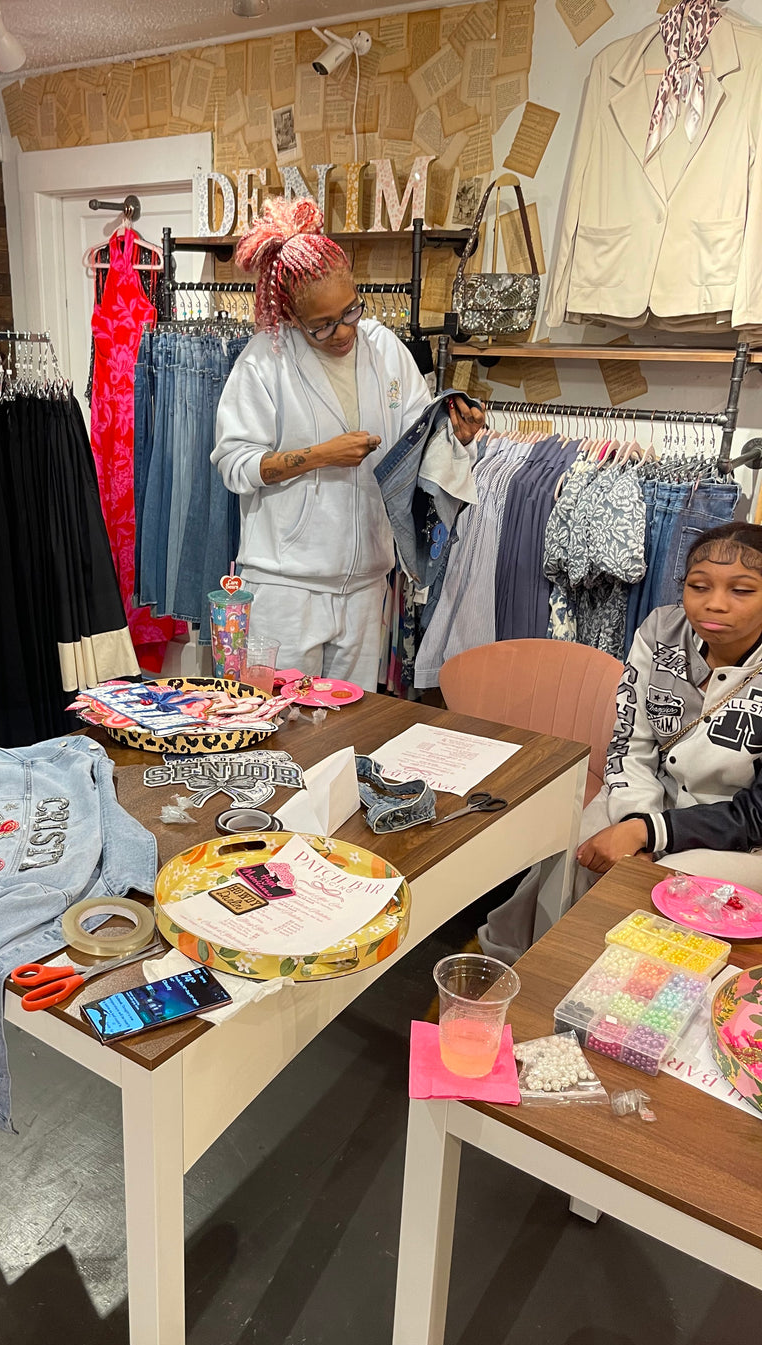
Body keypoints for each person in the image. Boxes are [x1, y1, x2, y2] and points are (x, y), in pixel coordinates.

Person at [211, 198, 484, 688]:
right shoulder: (264, 362)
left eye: (350, 311)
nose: (342, 332)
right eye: (322, 325)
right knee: (278, 723)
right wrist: (319, 456)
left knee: (348, 725)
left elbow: (418, 442)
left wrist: (456, 436)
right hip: (286, 588)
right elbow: (234, 464)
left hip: (365, 584)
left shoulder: (385, 351)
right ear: (291, 316)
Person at [481, 521, 762, 962]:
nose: (715, 603)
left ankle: (605, 990)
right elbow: (632, 741)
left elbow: (756, 814)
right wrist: (635, 821)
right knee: (570, 856)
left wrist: (647, 834)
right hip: (647, 798)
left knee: (655, 894)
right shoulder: (662, 630)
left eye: (742, 591)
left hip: (739, 838)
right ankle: (524, 965)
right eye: (698, 586)